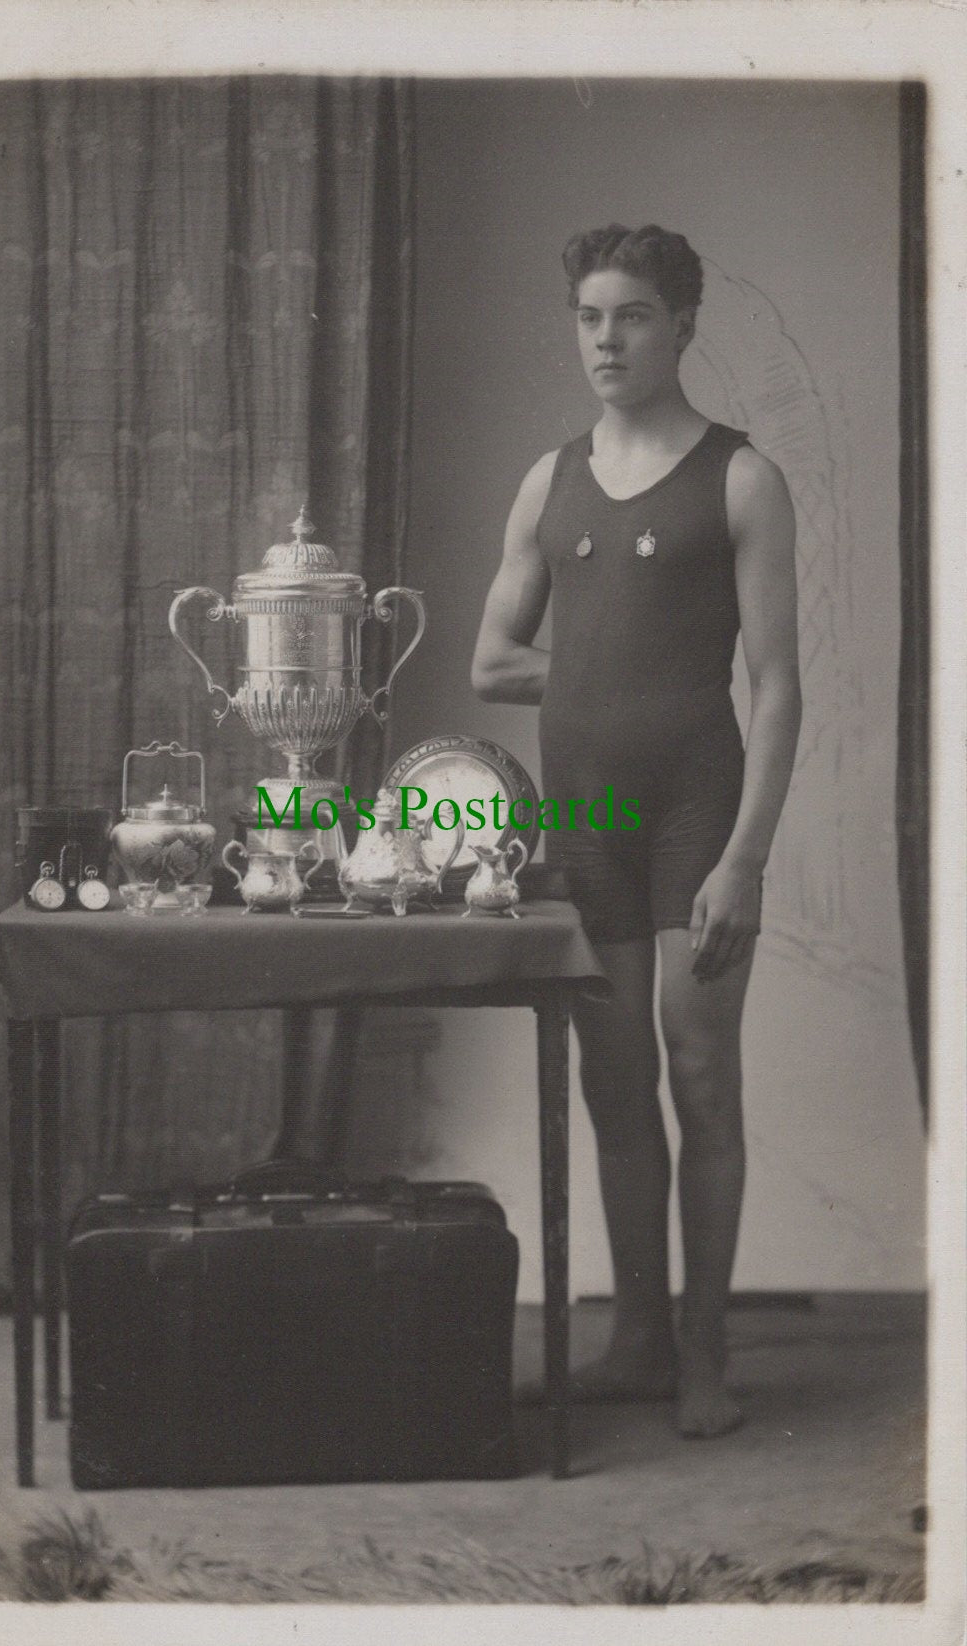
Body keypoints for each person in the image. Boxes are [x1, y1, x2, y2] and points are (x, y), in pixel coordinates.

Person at [471, 224, 801, 1438]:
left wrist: (745, 857)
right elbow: (492, 657)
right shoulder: (545, 479)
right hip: (587, 817)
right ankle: (635, 1339)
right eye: (589, 318)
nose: (606, 339)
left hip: (697, 812)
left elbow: (773, 683)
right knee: (612, 1083)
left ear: (681, 328)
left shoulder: (738, 476)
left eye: (633, 317)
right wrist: (600, 674)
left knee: (699, 1069)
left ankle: (704, 1352)